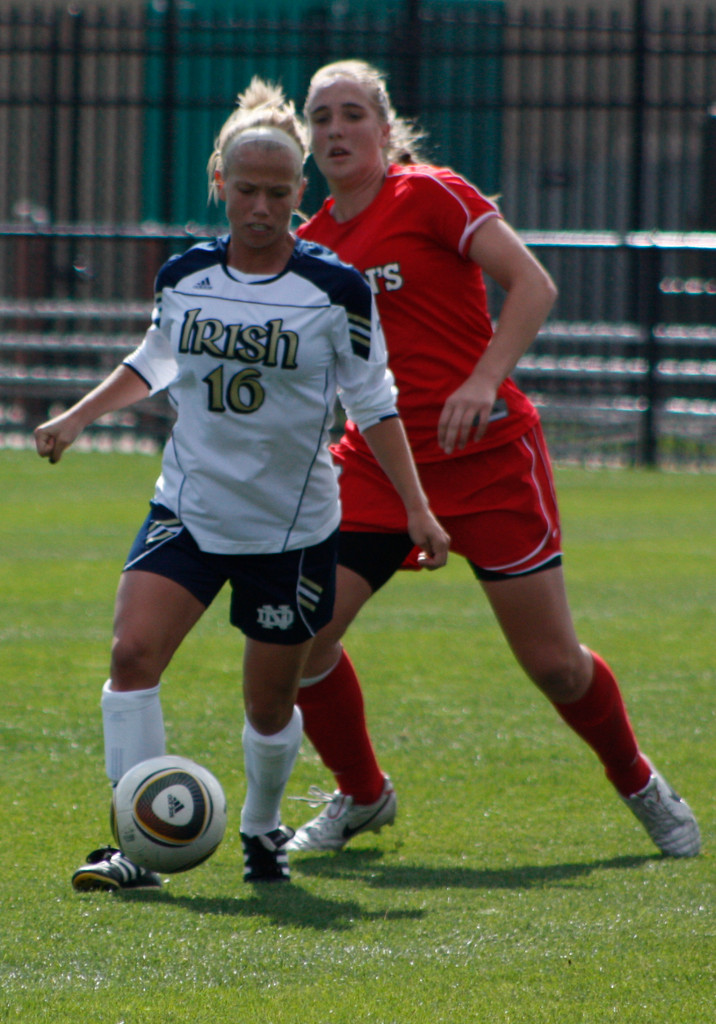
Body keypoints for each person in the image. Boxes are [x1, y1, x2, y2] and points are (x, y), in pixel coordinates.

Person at [33, 76, 449, 889]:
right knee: (131, 653)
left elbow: (375, 403)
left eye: (277, 192)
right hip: (187, 508)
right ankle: (136, 842)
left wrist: (418, 511)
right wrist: (77, 417)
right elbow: (157, 358)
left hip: (289, 531)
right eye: (245, 189)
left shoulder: (335, 291)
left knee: (267, 705)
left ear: (299, 193)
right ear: (219, 185)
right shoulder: (185, 276)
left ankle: (261, 828)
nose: (260, 206)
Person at [285, 59, 700, 859]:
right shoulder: (313, 243)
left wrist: (483, 381)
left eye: (350, 114)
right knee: (301, 634)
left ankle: (638, 778)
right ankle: (361, 794)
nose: (335, 130)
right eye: (321, 118)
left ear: (384, 126)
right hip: (378, 466)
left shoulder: (429, 193)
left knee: (555, 667)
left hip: (488, 459)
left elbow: (533, 285)